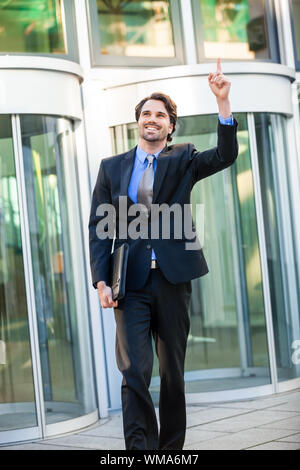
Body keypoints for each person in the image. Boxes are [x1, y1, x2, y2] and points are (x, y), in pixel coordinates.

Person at [88, 58, 239, 450]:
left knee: (173, 372)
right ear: (137, 122)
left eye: (160, 114)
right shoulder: (112, 168)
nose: (151, 119)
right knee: (134, 371)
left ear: (171, 126)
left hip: (172, 280)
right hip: (130, 284)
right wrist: (102, 280)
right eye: (145, 114)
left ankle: (170, 452)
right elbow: (99, 227)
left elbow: (225, 155)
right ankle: (141, 452)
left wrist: (223, 103)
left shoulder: (184, 158)